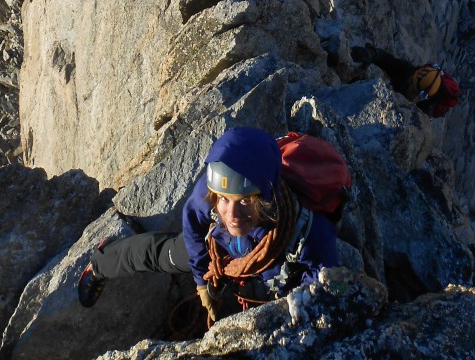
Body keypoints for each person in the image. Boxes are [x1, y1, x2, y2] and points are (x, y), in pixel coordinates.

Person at [77, 127, 339, 324]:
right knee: (164, 255)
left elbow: (323, 290)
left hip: (275, 267)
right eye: (223, 200)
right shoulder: (211, 190)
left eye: (246, 200)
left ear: (266, 195)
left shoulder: (308, 234)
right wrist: (202, 281)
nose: (232, 214)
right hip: (220, 245)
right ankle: (102, 261)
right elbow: (192, 226)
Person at [350, 46, 460, 118]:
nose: (410, 88)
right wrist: (371, 54)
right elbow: (388, 61)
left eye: (414, 90)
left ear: (423, 96)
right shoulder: (408, 72)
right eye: (411, 84)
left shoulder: (421, 113)